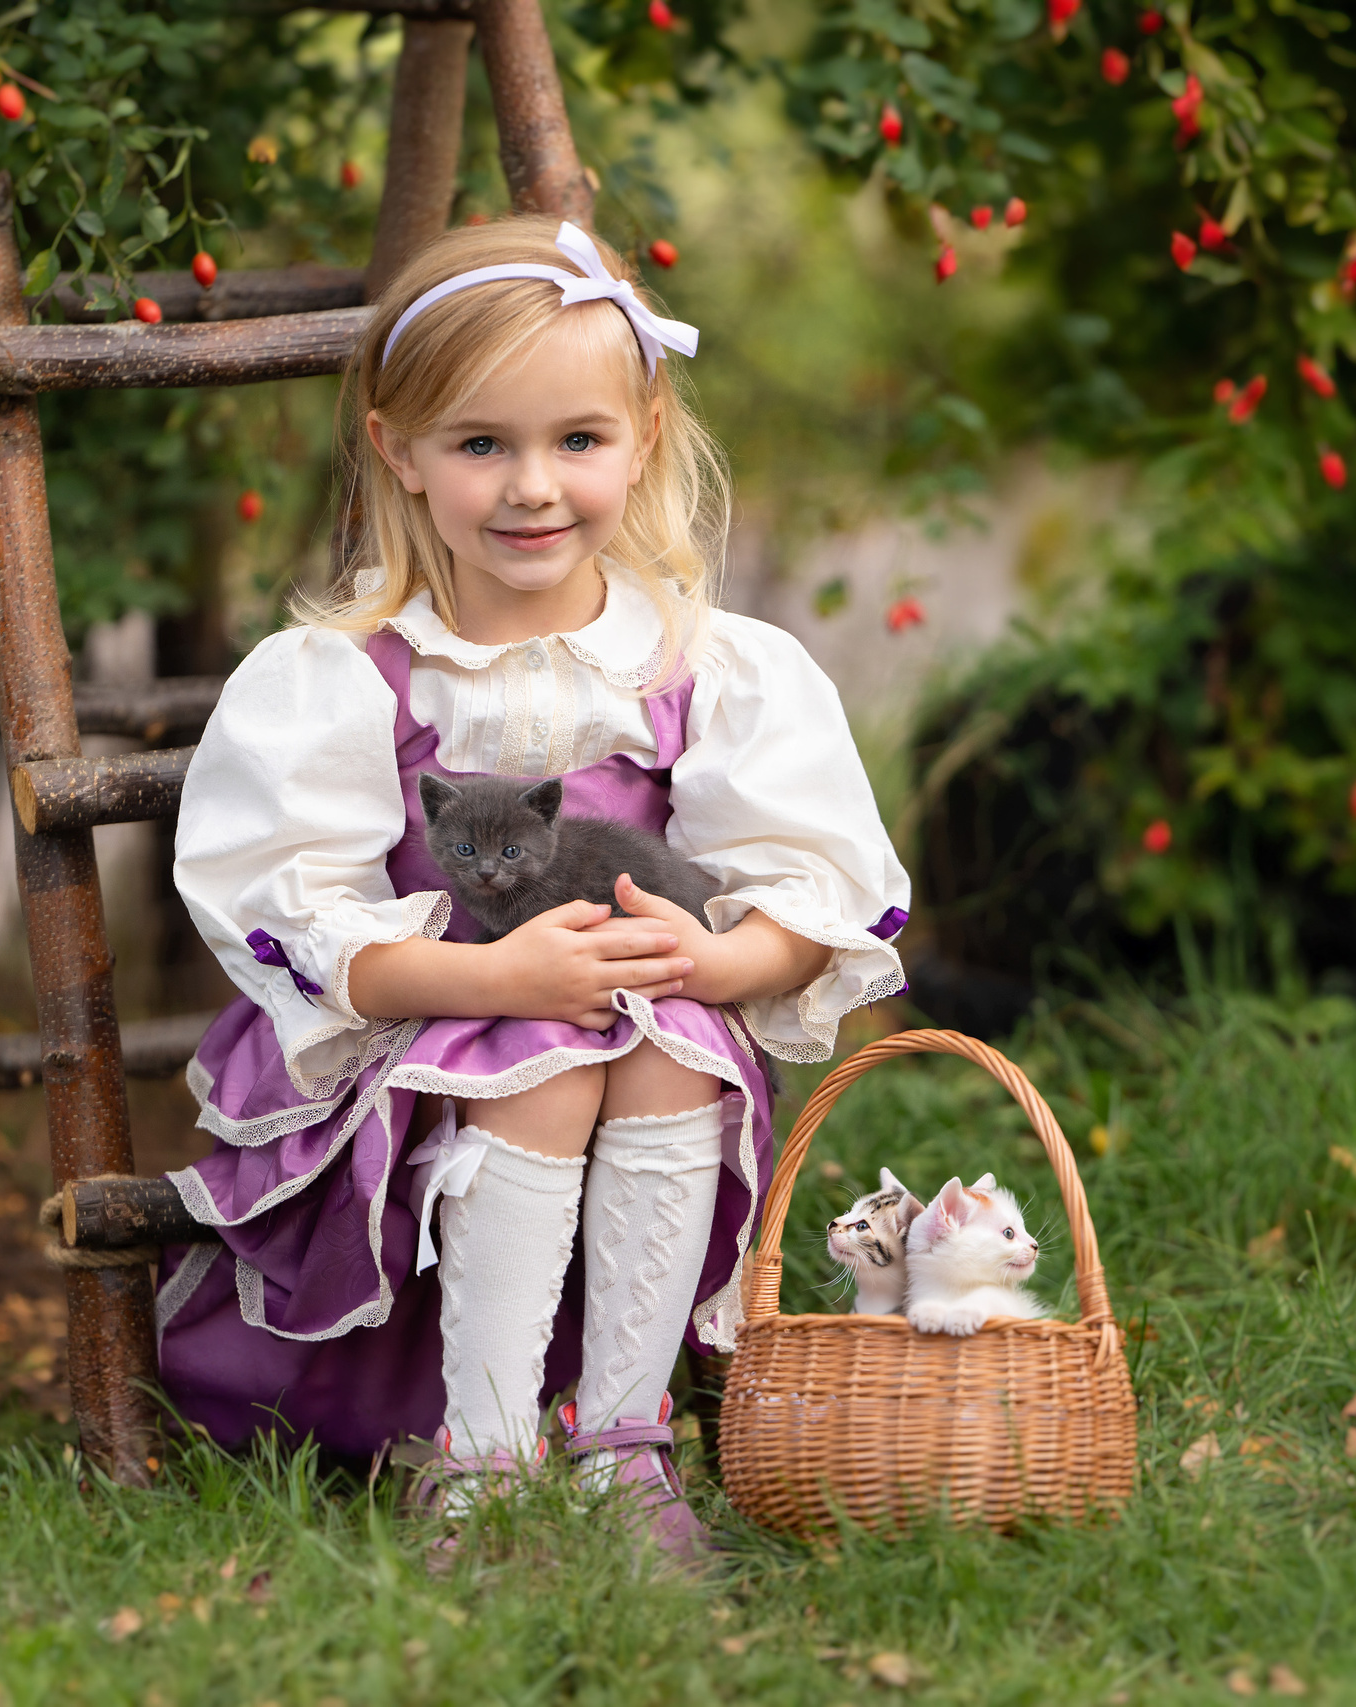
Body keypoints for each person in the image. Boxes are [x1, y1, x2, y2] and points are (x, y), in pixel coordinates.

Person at [160, 216, 909, 1559]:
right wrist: (496, 979)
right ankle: (485, 1456)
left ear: (645, 438)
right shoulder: (347, 677)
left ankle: (625, 1444)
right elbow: (288, 911)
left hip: (640, 1062)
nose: (532, 488)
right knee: (543, 1052)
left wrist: (721, 964)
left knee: (670, 1041)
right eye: (481, 445)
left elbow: (811, 887)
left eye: (578, 441)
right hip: (409, 1067)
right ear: (397, 449)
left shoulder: (704, 664)